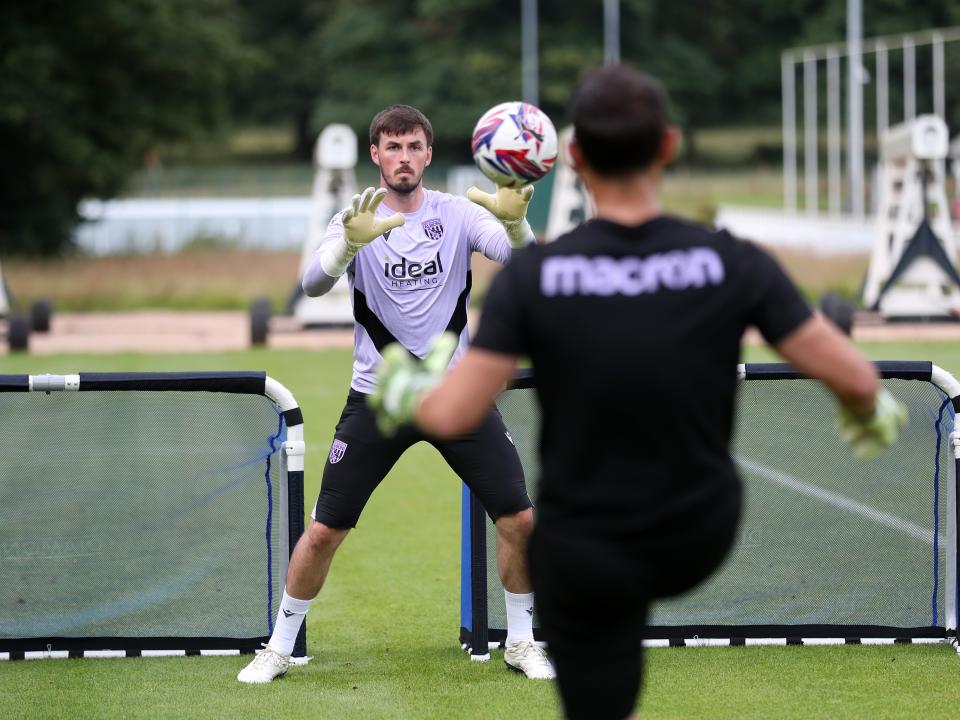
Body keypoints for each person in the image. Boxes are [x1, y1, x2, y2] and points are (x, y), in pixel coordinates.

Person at [368, 66, 908, 720]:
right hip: (700, 531)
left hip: (587, 541)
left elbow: (456, 410)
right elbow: (854, 376)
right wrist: (864, 407)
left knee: (600, 678)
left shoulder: (538, 277)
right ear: (668, 147)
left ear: (571, 158)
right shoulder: (730, 260)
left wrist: (403, 386)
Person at [237, 104, 555, 683]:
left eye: (413, 147)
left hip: (456, 397)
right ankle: (279, 647)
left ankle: (522, 642)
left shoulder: (457, 213)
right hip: (379, 400)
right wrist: (345, 248)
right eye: (392, 147)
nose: (403, 157)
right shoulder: (355, 215)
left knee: (518, 519)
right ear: (375, 155)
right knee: (325, 530)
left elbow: (525, 263)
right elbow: (311, 285)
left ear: (428, 155)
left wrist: (516, 225)